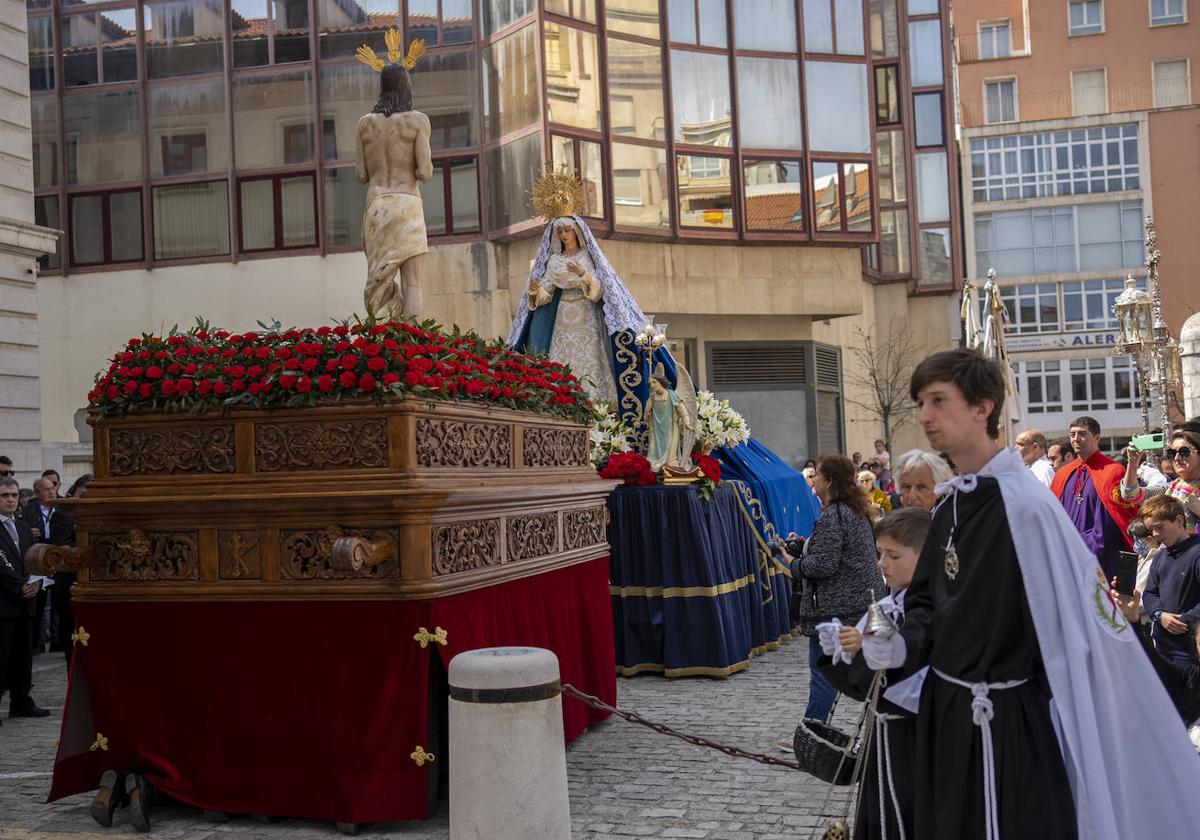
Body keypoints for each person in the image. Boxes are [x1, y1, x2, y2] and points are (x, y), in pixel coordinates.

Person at [858, 348, 1200, 840]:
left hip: (1002, 724)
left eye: (938, 401)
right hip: (947, 716)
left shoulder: (1026, 506)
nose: (925, 416)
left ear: (982, 408)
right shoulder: (954, 501)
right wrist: (902, 642)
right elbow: (928, 602)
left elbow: (1070, 626)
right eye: (921, 403)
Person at [820, 507, 932, 840]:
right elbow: (866, 689)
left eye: (893, 555)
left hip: (918, 738)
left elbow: (916, 653)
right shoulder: (883, 606)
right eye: (880, 552)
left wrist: (871, 651)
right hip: (882, 736)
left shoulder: (935, 607)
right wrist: (842, 654)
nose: (881, 563)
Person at [780, 454, 884, 737]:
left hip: (837, 608)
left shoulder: (835, 515)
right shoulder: (853, 511)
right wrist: (805, 545)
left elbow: (823, 565)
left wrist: (793, 563)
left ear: (829, 481)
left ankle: (812, 731)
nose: (814, 480)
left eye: (819, 476)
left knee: (824, 672)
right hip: (858, 602)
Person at [356, 41, 433, 319]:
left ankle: (380, 343)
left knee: (378, 283)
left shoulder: (365, 124)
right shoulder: (417, 121)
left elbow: (361, 175)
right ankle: (412, 345)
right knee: (413, 283)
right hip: (407, 204)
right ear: (406, 86)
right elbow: (425, 173)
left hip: (377, 205)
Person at [525, 217, 617, 403]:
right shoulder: (555, 261)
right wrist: (536, 290)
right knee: (561, 356)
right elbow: (547, 293)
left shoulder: (588, 257)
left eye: (567, 230)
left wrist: (583, 274)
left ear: (577, 232)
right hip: (563, 313)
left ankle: (594, 401)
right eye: (560, 232)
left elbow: (598, 291)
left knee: (589, 354)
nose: (564, 235)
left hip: (585, 311)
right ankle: (562, 399)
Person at [1049, 417, 1143, 578]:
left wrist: (1082, 546)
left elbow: (1110, 520)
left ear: (1097, 438)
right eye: (1072, 435)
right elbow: (1053, 515)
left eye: (1082, 434)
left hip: (1103, 557)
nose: (1076, 439)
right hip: (1067, 554)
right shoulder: (1063, 474)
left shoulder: (1112, 471)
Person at [0, 476, 49, 724]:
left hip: (25, 603)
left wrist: (36, 580)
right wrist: (19, 585)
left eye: (14, 495)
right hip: (4, 603)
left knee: (23, 656)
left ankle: (21, 701)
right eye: (4, 495)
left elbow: (32, 559)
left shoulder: (21, 526)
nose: (10, 499)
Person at [27, 477, 76, 663]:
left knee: (57, 608)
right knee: (39, 606)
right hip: (39, 559)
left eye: (53, 487)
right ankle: (35, 645)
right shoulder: (30, 509)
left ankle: (56, 641)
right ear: (37, 492)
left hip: (59, 560)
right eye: (46, 489)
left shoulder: (63, 506)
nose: (51, 492)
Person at [1164, 425, 1200, 532]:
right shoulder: (1170, 486)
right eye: (1172, 453)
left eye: (1184, 452)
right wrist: (1133, 464)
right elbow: (1130, 495)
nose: (1176, 458)